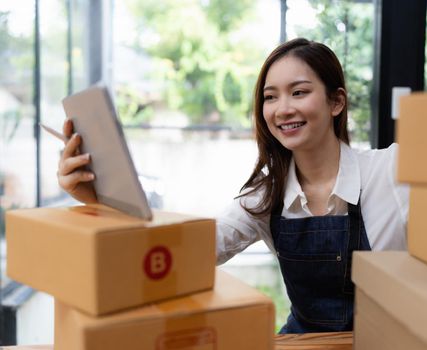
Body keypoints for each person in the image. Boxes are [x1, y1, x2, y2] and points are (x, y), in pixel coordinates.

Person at [57, 38, 409, 334]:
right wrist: (101, 200)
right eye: (270, 97)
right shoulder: (263, 198)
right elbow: (190, 251)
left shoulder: (392, 171)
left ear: (336, 102)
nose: (282, 109)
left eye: (298, 92)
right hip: (303, 346)